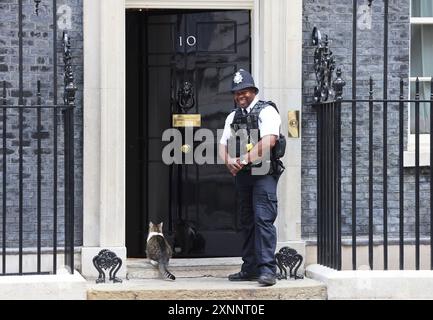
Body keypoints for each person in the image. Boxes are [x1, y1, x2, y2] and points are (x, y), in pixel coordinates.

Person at [218, 69, 282, 286]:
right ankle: (250, 269)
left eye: (244, 91)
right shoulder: (232, 116)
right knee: (247, 222)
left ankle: (268, 271)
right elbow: (222, 144)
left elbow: (269, 142)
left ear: (253, 91)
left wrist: (243, 159)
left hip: (264, 174)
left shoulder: (267, 111)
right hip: (243, 177)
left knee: (263, 219)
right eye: (237, 93)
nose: (240, 96)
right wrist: (229, 162)